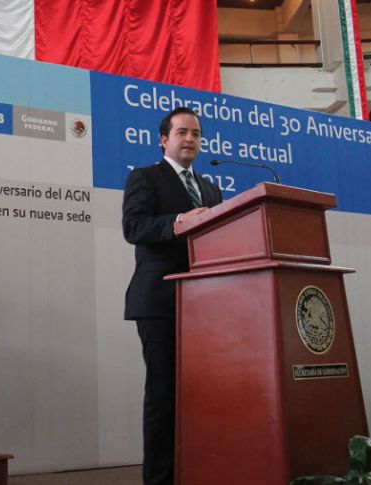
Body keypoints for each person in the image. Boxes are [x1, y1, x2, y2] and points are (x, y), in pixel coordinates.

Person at [122, 107, 223, 485]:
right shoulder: (145, 178)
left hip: (205, 305)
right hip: (161, 301)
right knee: (164, 397)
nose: (190, 139)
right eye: (182, 132)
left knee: (200, 397)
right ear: (164, 139)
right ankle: (160, 480)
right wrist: (179, 222)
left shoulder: (211, 189)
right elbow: (133, 227)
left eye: (196, 133)